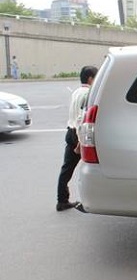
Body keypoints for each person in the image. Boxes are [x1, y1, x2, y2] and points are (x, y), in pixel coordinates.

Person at [56, 65, 97, 212]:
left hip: (70, 131)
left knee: (67, 169)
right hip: (78, 135)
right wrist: (80, 142)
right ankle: (89, 201)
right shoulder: (87, 94)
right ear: (91, 78)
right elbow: (81, 118)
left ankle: (62, 201)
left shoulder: (76, 92)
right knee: (90, 168)